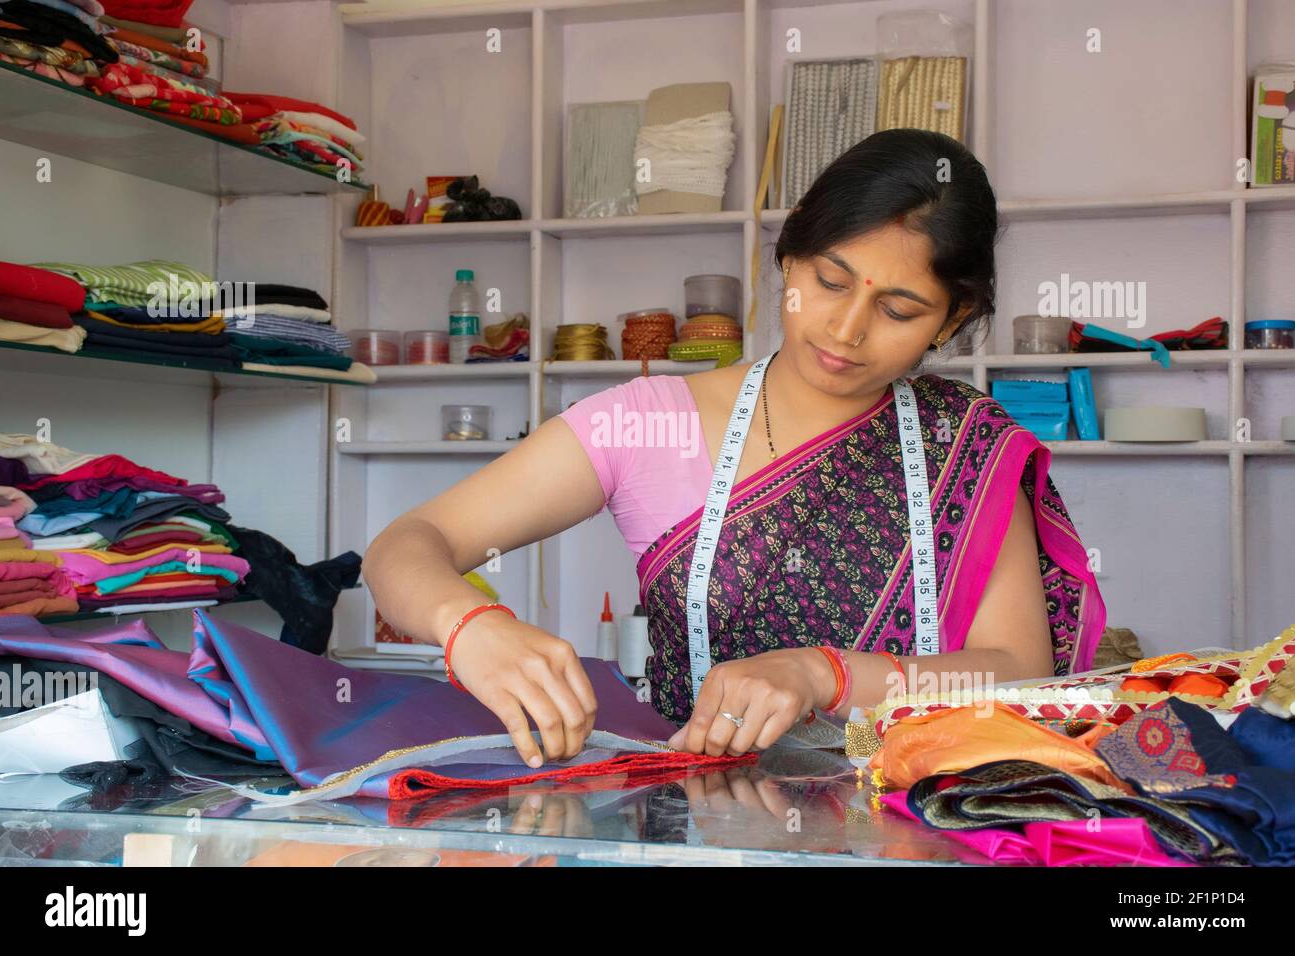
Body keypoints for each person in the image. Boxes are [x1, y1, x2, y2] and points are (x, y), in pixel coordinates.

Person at [364, 128, 1106, 770]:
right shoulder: (651, 421)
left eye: (899, 310)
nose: (847, 330)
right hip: (698, 825)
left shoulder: (962, 443)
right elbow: (405, 546)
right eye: (829, 282)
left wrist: (824, 675)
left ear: (953, 318)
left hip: (915, 824)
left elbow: (1016, 676)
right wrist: (473, 628)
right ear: (788, 260)